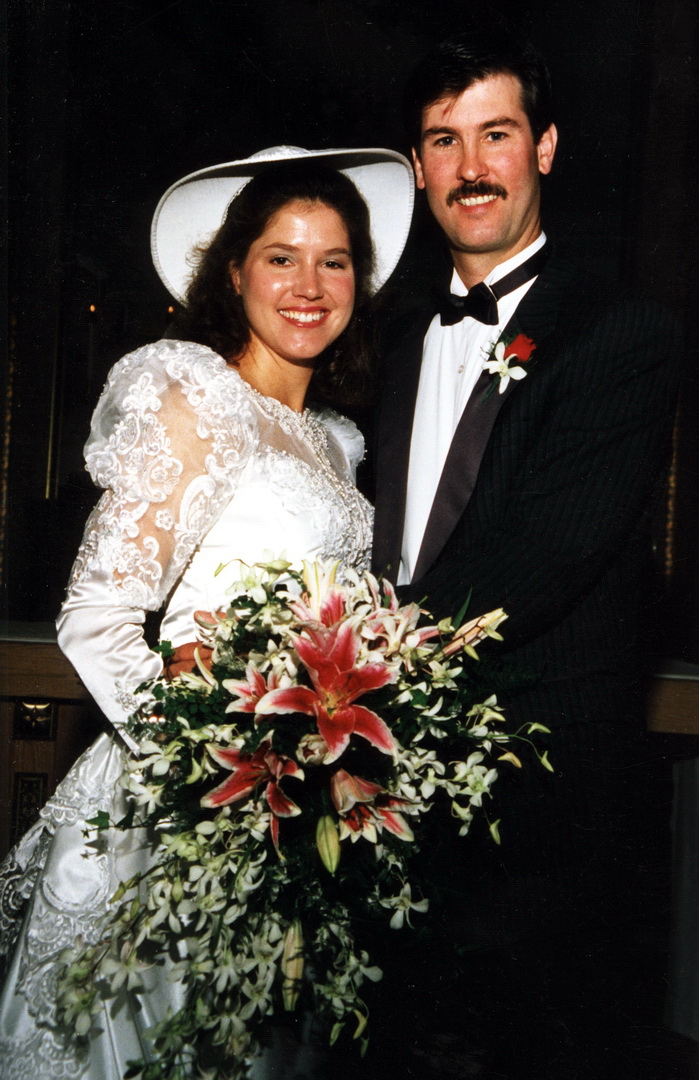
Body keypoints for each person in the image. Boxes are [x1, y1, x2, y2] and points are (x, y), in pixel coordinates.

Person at [0, 145, 414, 1079]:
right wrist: (203, 766)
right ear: (233, 272)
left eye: (334, 261)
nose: (308, 285)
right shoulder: (196, 396)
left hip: (290, 808)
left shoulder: (335, 442)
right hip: (182, 808)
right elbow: (95, 616)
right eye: (281, 257)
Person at [370, 32, 685, 1080]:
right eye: (444, 141)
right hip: (381, 788)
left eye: (495, 135)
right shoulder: (392, 340)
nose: (471, 168)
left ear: (543, 147)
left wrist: (348, 668)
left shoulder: (621, 331)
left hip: (546, 808)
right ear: (417, 168)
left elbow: (546, 552)